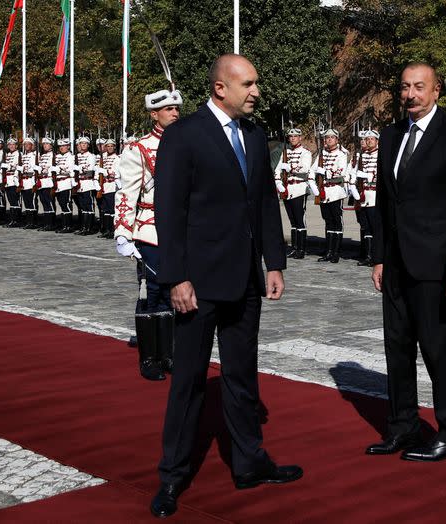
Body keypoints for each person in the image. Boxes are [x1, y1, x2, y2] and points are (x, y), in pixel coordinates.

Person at [151, 54, 301, 518]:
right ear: (220, 88)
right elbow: (169, 211)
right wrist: (175, 277)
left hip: (245, 282)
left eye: (257, 82)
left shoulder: (255, 137)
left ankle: (249, 463)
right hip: (196, 284)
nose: (256, 91)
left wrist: (273, 263)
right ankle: (172, 477)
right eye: (248, 83)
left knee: (241, 377)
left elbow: (262, 204)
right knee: (189, 383)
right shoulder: (183, 135)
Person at [367, 62, 446, 462]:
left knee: (438, 351)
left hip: (435, 265)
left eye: (419, 87)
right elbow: (386, 201)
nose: (411, 94)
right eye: (405, 87)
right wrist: (379, 256)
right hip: (396, 263)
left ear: (436, 91)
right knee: (396, 349)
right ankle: (403, 427)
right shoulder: (391, 135)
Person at [114, 88, 182, 381]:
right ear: (154, 114)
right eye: (168, 109)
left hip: (180, 231)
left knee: (174, 292)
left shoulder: (186, 144)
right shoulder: (137, 149)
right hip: (150, 230)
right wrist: (123, 233)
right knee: (151, 292)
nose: (175, 113)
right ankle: (150, 357)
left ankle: (169, 353)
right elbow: (126, 192)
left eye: (177, 109)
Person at [274, 127, 313, 259]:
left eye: (295, 136)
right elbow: (278, 169)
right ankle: (294, 248)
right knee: (292, 220)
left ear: (300, 138)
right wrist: (278, 183)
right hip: (287, 189)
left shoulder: (305, 153)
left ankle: (301, 249)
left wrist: (290, 167)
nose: (292, 138)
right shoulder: (285, 152)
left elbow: (305, 168)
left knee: (299, 219)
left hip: (299, 189)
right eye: (290, 137)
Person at [312, 127, 349, 263]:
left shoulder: (341, 154)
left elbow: (341, 172)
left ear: (337, 140)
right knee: (327, 221)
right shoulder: (321, 154)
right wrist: (314, 188)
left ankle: (336, 252)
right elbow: (312, 170)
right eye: (327, 138)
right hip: (323, 192)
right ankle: (328, 250)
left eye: (332, 137)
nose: (329, 139)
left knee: (336, 221)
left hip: (335, 191)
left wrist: (326, 172)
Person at [352, 129, 380, 267]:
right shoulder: (362, 156)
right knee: (366, 227)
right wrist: (353, 188)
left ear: (376, 141)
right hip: (363, 196)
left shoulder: (380, 155)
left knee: (375, 227)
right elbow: (354, 173)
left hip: (374, 195)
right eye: (367, 139)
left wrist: (369, 177)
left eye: (371, 139)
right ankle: (368, 256)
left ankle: (377, 256)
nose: (368, 141)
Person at [53, 138, 77, 233]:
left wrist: (59, 169)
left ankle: (68, 226)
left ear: (68, 146)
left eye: (64, 146)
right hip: (57, 183)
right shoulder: (57, 156)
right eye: (60, 146)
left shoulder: (71, 157)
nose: (62, 148)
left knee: (66, 204)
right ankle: (64, 225)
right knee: (61, 204)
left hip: (66, 182)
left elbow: (70, 169)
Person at [36, 137, 57, 231]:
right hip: (42, 182)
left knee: (49, 202)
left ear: (51, 145)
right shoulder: (42, 156)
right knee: (44, 203)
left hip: (48, 181)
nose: (45, 145)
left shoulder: (53, 155)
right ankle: (46, 223)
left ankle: (51, 223)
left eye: (47, 144)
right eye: (44, 144)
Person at [19, 137, 40, 229]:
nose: (26, 146)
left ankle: (33, 222)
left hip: (31, 180)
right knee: (26, 202)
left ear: (33, 145)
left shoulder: (36, 155)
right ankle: (28, 222)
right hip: (24, 181)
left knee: (32, 202)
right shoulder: (23, 156)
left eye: (28, 144)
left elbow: (36, 168)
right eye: (25, 144)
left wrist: (27, 169)